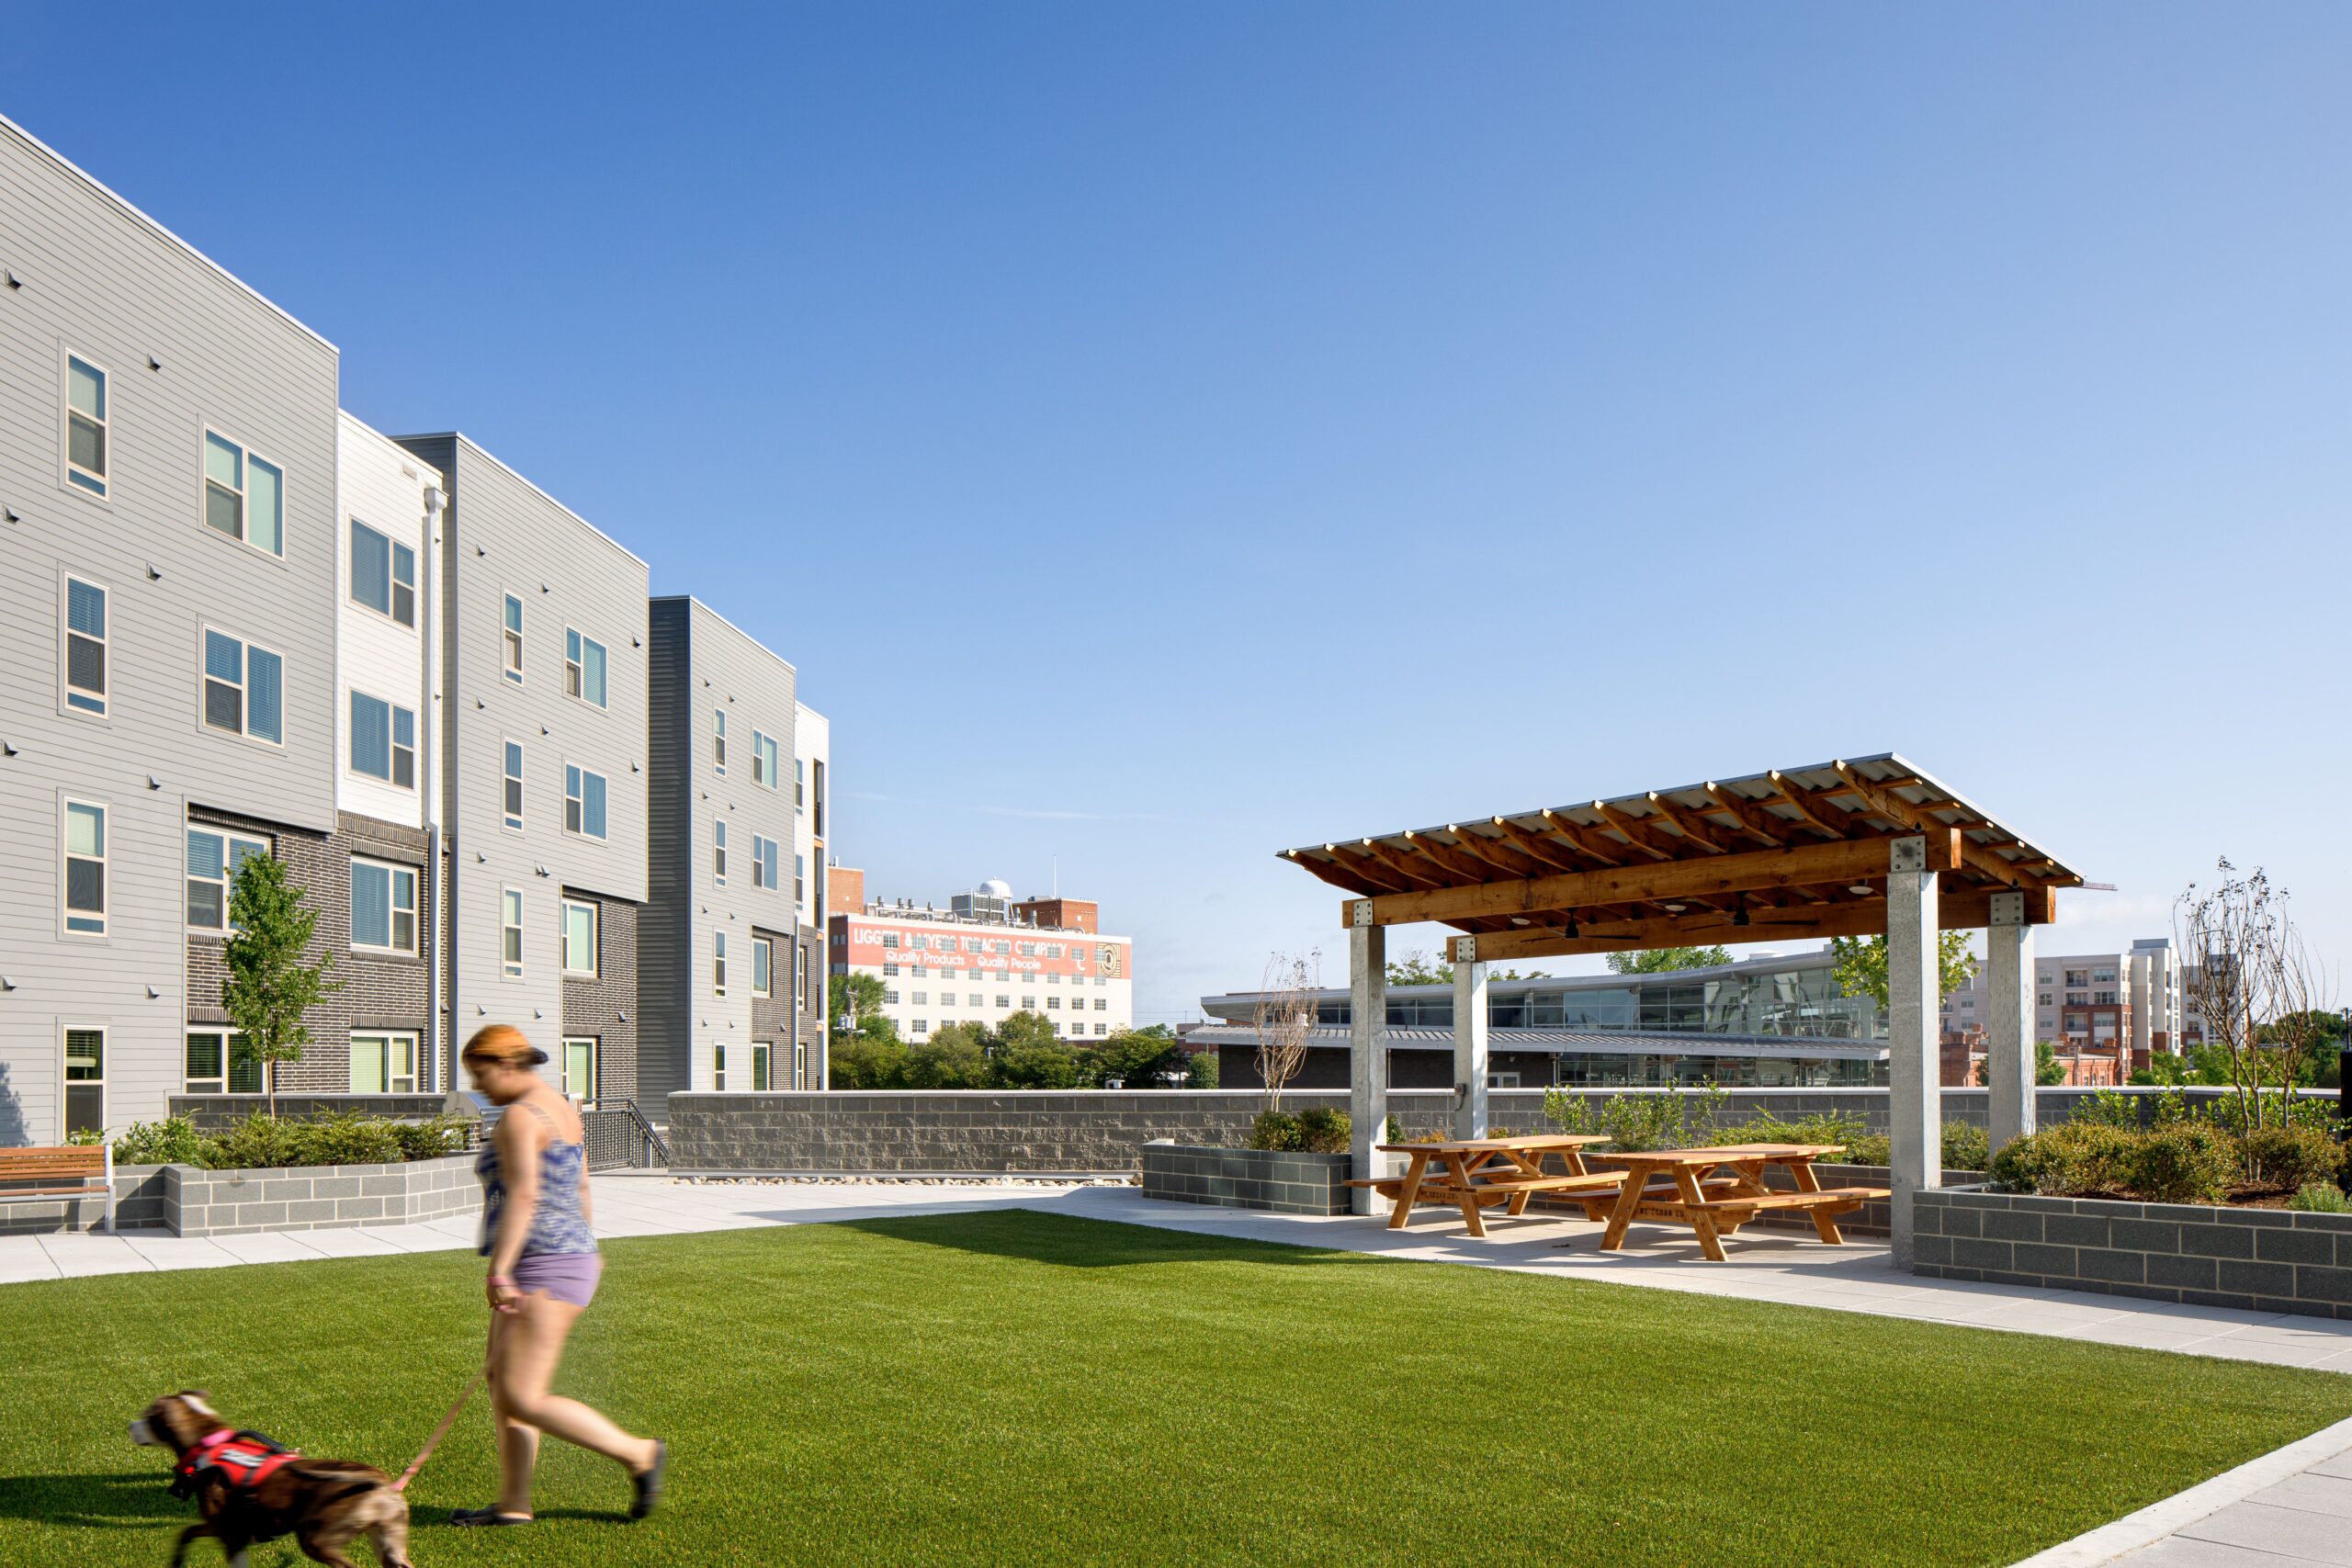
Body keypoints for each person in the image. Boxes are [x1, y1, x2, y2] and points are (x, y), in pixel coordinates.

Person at [453, 1024, 665, 1527]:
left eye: (481, 1075)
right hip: (562, 1257)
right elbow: (582, 1184)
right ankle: (513, 1504)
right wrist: (587, 1243)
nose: (478, 1087)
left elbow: (525, 1196)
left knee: (523, 1395)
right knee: (504, 1387)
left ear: (507, 1066)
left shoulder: (521, 1119)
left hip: (541, 1264)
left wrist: (500, 1272)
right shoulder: (562, 1107)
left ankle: (638, 1453)